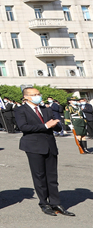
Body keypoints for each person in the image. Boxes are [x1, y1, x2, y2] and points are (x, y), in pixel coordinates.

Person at [13, 88, 74, 217]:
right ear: (26, 97)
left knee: (52, 177)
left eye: (38, 94)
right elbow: (23, 127)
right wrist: (46, 126)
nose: (37, 96)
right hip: (34, 146)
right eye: (33, 95)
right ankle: (44, 203)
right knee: (39, 176)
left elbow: (56, 125)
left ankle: (56, 203)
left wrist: (56, 124)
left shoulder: (46, 109)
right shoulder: (20, 110)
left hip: (50, 145)